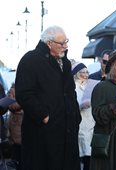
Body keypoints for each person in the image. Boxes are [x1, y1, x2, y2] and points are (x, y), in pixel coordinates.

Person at [15, 25, 81, 170]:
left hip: (67, 131)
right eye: (62, 43)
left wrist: (75, 117)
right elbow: (24, 93)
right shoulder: (31, 60)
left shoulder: (66, 63)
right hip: (42, 133)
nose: (66, 46)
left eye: (66, 41)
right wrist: (43, 116)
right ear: (49, 43)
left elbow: (71, 92)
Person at [71, 61, 95, 170]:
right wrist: (80, 106)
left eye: (87, 72)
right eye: (82, 72)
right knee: (77, 155)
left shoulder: (90, 87)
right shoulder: (72, 88)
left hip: (90, 124)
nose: (85, 75)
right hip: (78, 125)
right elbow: (69, 107)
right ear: (76, 73)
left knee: (89, 157)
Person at [7, 83, 23, 170]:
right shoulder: (13, 90)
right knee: (18, 157)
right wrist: (25, 103)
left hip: (26, 127)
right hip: (16, 125)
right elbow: (11, 105)